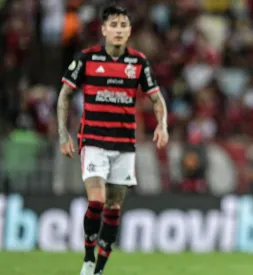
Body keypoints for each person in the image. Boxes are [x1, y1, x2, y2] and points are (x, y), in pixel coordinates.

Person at [56, 5, 169, 275]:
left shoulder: (138, 62)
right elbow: (64, 96)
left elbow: (157, 99)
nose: (119, 30)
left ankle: (99, 269)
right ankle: (87, 257)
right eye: (114, 25)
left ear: (129, 31)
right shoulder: (86, 59)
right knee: (96, 201)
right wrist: (63, 133)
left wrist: (162, 125)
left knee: (114, 207)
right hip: (93, 140)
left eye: (123, 25)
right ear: (104, 29)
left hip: (124, 144)